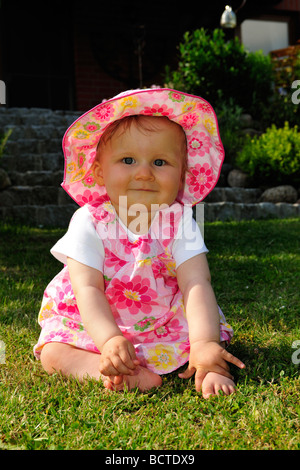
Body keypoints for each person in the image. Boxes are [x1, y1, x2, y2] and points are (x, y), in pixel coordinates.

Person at [34, 88, 245, 398]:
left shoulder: (179, 220)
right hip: (96, 319)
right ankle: (102, 369)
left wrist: (203, 344)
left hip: (162, 317)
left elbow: (196, 283)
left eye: (160, 162)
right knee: (53, 350)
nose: (144, 174)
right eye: (128, 160)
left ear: (182, 175)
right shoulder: (89, 221)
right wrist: (108, 341)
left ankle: (206, 364)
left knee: (209, 333)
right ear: (99, 171)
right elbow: (87, 289)